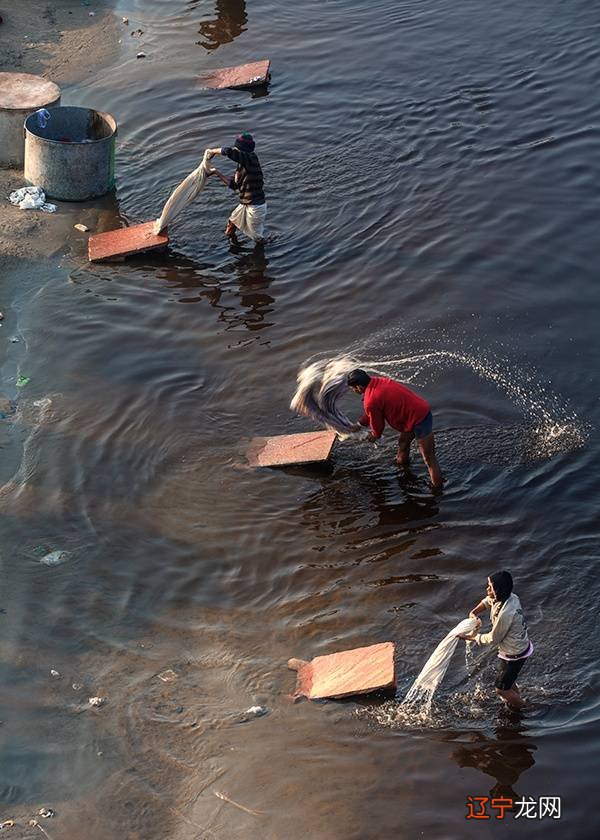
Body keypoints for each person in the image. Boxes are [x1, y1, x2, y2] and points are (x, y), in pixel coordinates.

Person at [347, 369, 443, 488]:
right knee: (403, 443)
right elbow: (373, 412)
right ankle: (402, 467)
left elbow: (378, 425)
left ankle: (437, 491)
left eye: (353, 388)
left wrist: (374, 435)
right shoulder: (378, 381)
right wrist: (359, 425)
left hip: (420, 417)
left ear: (359, 387)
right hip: (412, 414)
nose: (353, 391)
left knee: (429, 458)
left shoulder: (370, 400)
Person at [461, 571, 533, 709]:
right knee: (508, 682)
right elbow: (488, 601)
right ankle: (515, 698)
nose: (487, 589)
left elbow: (493, 638)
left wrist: (472, 637)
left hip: (515, 654)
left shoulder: (506, 613)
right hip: (514, 648)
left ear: (498, 590)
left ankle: (525, 706)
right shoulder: (510, 596)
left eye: (490, 587)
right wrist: (474, 612)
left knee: (501, 689)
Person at [206, 133, 266, 244]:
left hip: (255, 206)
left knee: (258, 239)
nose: (235, 149)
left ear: (242, 150)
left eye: (237, 148)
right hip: (246, 203)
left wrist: (212, 151)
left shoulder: (250, 158)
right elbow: (234, 186)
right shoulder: (242, 165)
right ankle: (228, 242)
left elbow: (228, 151)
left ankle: (261, 257)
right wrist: (215, 172)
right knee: (232, 222)